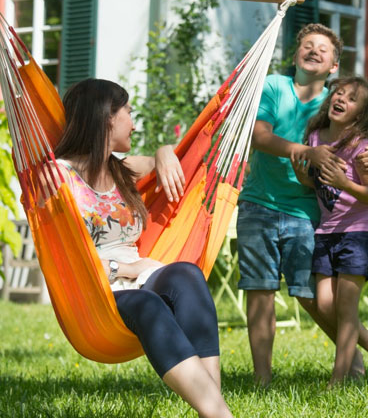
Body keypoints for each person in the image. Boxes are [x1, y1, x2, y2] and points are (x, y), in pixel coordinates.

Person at [51, 78, 234, 418]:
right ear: (108, 117)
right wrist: (124, 270)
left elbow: (160, 160)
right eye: (129, 113)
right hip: (96, 292)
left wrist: (165, 153)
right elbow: (59, 254)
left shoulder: (122, 169)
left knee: (187, 273)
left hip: (140, 276)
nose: (134, 123)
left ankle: (214, 408)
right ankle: (220, 414)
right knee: (148, 303)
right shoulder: (59, 178)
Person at [236, 23, 368, 387]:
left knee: (312, 297)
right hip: (259, 202)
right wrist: (306, 152)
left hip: (308, 211)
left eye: (324, 48)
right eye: (308, 44)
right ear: (296, 56)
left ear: (334, 67)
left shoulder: (333, 104)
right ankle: (261, 380)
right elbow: (258, 136)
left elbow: (362, 138)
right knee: (260, 290)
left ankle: (356, 357)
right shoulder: (274, 85)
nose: (315, 50)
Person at [292, 76, 368, 386]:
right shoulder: (314, 136)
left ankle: (339, 378)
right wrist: (302, 178)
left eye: (352, 99)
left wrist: (345, 183)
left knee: (346, 308)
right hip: (327, 233)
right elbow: (319, 184)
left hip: (358, 232)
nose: (342, 99)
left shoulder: (361, 146)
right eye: (339, 93)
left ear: (359, 114)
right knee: (325, 304)